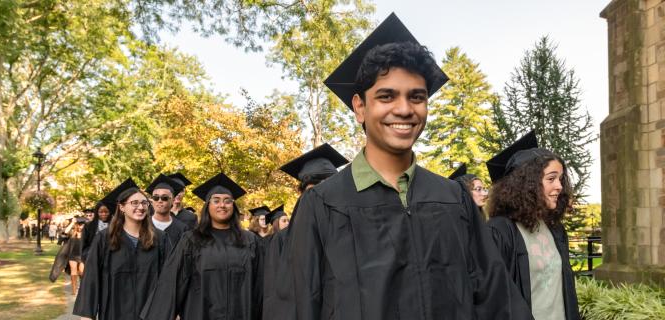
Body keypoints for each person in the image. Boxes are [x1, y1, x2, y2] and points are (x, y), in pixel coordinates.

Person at [287, 13, 531, 319]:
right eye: (387, 96)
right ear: (360, 107)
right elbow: (296, 306)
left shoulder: (453, 200)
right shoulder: (322, 206)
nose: (404, 109)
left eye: (416, 97)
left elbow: (497, 300)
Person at [140, 173, 264, 320]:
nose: (222, 205)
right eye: (216, 201)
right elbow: (172, 282)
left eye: (227, 201)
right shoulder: (191, 240)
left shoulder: (250, 241)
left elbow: (261, 286)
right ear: (208, 206)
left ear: (233, 206)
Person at [485, 131, 580, 320]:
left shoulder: (555, 229)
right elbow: (493, 300)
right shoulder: (499, 231)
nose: (560, 186)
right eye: (551, 178)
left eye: (560, 179)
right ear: (527, 184)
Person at [263, 143, 349, 320]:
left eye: (329, 187)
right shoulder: (280, 241)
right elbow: (274, 298)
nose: (322, 195)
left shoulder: (351, 234)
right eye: (314, 190)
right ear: (301, 194)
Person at [73, 186, 166, 320]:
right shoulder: (104, 238)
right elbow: (91, 279)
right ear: (121, 207)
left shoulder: (160, 238)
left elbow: (168, 279)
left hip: (151, 313)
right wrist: (87, 316)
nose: (140, 207)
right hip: (114, 312)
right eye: (134, 203)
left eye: (144, 203)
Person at [145, 174, 190, 254]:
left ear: (173, 200)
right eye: (155, 198)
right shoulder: (143, 225)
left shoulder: (182, 229)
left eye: (164, 198)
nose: (159, 201)